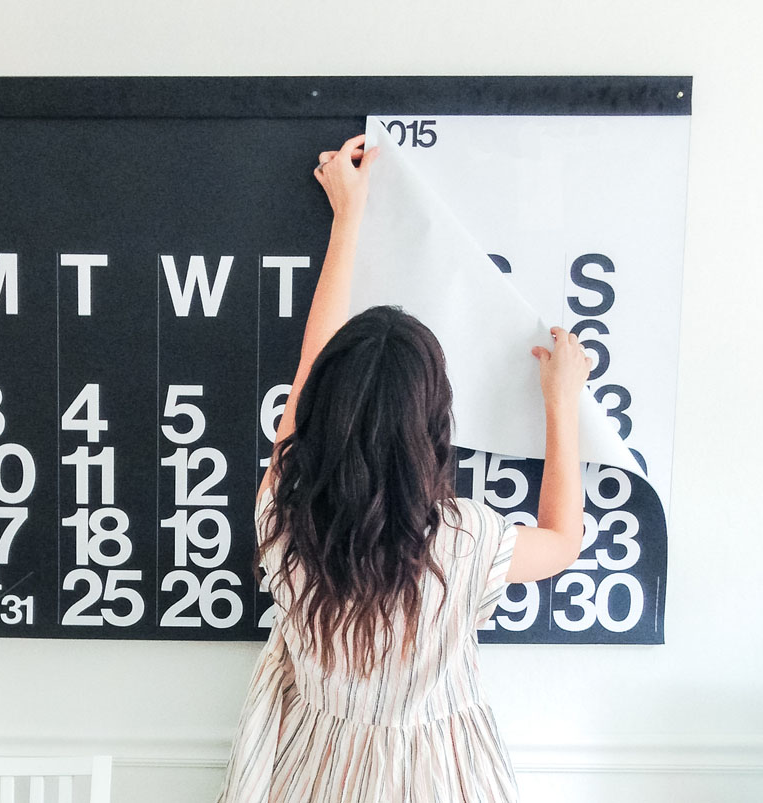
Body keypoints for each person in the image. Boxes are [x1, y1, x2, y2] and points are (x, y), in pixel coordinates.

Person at [216, 134, 592, 803]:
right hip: (445, 780)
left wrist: (349, 218)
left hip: (312, 777)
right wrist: (561, 403)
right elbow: (563, 540)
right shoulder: (463, 538)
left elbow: (310, 368)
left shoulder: (284, 514)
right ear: (434, 425)